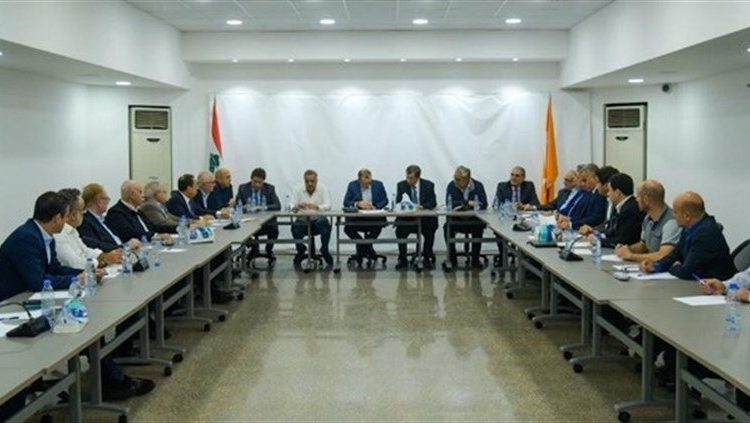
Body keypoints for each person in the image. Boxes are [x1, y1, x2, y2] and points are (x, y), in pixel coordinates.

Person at [0, 192, 154, 402]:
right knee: (84, 328)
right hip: (14, 305)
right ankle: (114, 382)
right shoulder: (27, 238)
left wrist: (84, 274)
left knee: (88, 325)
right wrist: (78, 278)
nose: (68, 220)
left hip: (34, 298)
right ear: (57, 218)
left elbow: (55, 268)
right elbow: (37, 281)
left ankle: (112, 380)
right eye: (65, 216)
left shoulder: (44, 235)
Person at [640, 191, 736, 280]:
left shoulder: (706, 233)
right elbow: (675, 254)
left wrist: (673, 267)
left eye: (675, 212)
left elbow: (686, 272)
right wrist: (656, 265)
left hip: (715, 287)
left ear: (687, 216)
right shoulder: (689, 227)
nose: (673, 216)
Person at [614, 180, 681, 262]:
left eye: (638, 196)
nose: (636, 200)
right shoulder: (648, 218)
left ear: (646, 199)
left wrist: (631, 256)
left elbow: (663, 256)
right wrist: (628, 249)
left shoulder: (672, 222)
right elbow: (643, 245)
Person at [55, 188, 122, 269]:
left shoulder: (72, 230)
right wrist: (104, 261)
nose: (84, 214)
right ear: (73, 215)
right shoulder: (58, 234)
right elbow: (75, 264)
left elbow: (86, 251)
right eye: (82, 211)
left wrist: (104, 256)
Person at [579, 173, 644, 248]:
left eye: (609, 190)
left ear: (617, 193)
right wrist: (594, 232)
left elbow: (622, 241)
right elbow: (611, 232)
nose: (608, 194)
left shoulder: (629, 211)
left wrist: (597, 240)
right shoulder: (623, 206)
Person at [444, 165, 488, 269]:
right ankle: (452, 259)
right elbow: (450, 204)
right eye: (455, 178)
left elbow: (484, 204)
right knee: (447, 228)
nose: (456, 181)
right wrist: (468, 203)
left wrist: (463, 204)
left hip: (474, 220)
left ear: (466, 179)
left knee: (478, 229)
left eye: (458, 179)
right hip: (457, 220)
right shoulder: (452, 185)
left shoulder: (478, 185)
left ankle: (475, 259)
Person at [394, 165, 438, 269]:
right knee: (400, 231)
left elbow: (432, 202)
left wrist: (422, 207)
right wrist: (406, 206)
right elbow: (398, 202)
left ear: (418, 177)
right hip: (407, 219)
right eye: (407, 177)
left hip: (424, 219)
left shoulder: (428, 185)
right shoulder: (401, 185)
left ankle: (427, 258)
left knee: (430, 229)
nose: (408, 180)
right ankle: (402, 259)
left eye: (411, 178)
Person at [343, 168, 389, 261]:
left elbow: (385, 200)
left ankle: (363, 248)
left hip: (374, 217)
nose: (368, 185)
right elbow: (346, 202)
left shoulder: (378, 184)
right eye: (365, 184)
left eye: (369, 183)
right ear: (359, 181)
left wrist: (375, 206)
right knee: (347, 229)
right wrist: (358, 204)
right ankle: (365, 247)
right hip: (357, 218)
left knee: (378, 226)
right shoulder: (352, 185)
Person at [78, 183, 139, 253]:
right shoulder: (85, 221)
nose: (108, 202)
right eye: (106, 199)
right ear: (99, 201)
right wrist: (126, 246)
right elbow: (96, 245)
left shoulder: (105, 219)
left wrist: (128, 245)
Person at [291, 170, 333, 267]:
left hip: (318, 219)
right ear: (304, 181)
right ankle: (301, 249)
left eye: (312, 181)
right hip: (302, 220)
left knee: (325, 226)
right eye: (307, 181)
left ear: (316, 180)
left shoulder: (323, 188)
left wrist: (317, 206)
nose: (309, 184)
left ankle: (324, 249)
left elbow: (328, 205)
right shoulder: (298, 189)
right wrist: (298, 206)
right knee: (295, 228)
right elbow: (290, 206)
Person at [236, 167, 281, 258]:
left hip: (265, 222)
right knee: (242, 229)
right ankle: (253, 249)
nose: (256, 184)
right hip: (248, 221)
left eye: (259, 182)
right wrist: (244, 207)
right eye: (254, 181)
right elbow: (237, 204)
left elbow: (277, 205)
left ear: (263, 181)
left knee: (274, 229)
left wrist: (263, 207)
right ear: (251, 179)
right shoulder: (243, 188)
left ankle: (269, 249)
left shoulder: (270, 189)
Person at [106, 180, 170, 244]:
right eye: (140, 192)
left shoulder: (138, 211)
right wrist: (156, 236)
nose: (143, 196)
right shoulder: (116, 212)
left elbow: (153, 227)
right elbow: (131, 233)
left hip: (149, 244)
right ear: (131, 194)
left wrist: (173, 229)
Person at [557, 163, 607, 230]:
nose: (582, 184)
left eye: (584, 180)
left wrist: (571, 223)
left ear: (594, 178)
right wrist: (569, 219)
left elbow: (596, 218)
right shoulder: (589, 192)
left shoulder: (600, 194)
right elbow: (582, 215)